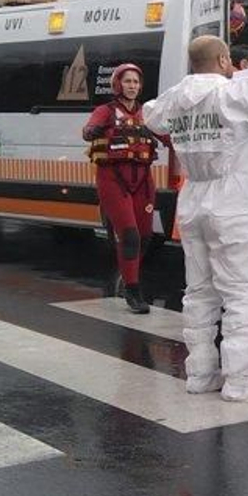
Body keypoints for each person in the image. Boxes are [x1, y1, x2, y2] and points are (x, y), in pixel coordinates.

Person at [143, 36, 248, 402]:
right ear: (223, 60)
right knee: (240, 294)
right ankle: (240, 380)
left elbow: (150, 114)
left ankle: (201, 373)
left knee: (200, 292)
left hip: (193, 199)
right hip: (232, 202)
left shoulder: (174, 99)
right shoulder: (232, 95)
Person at [83, 64, 167, 314]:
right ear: (118, 84)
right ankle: (133, 289)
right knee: (129, 235)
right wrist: (92, 131)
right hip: (113, 179)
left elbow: (167, 138)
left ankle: (128, 273)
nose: (132, 86)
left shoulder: (147, 113)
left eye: (136, 82)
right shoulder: (105, 111)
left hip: (143, 180)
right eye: (128, 81)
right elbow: (88, 131)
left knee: (145, 237)